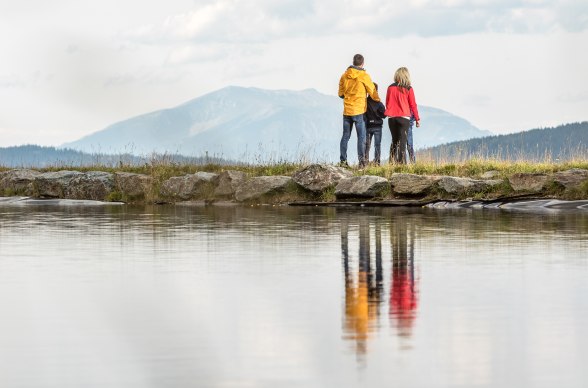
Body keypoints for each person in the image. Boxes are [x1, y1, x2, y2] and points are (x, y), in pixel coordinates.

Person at [338, 54, 380, 168]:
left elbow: (340, 94)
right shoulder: (364, 75)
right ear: (362, 63)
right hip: (359, 110)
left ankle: (343, 161)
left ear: (353, 62)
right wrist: (377, 100)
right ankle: (361, 163)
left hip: (347, 111)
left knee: (345, 136)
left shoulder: (344, 75)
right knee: (361, 137)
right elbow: (372, 91)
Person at [385, 67, 420, 164]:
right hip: (404, 118)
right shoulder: (409, 88)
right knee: (403, 143)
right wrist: (417, 119)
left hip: (391, 118)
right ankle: (401, 165)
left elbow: (387, 102)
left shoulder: (390, 87)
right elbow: (413, 105)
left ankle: (391, 162)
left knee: (394, 141)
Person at [364, 83, 386, 165]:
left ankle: (365, 161)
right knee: (377, 145)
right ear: (376, 90)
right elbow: (384, 114)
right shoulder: (379, 102)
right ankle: (377, 162)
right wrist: (378, 115)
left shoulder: (365, 101)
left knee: (366, 145)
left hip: (368, 126)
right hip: (377, 126)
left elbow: (363, 113)